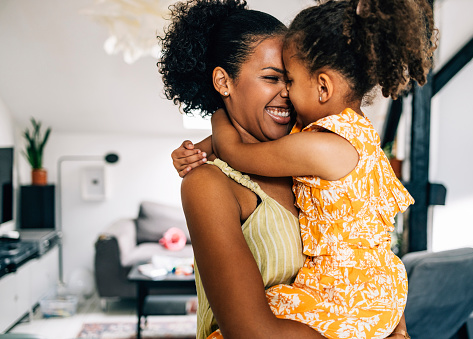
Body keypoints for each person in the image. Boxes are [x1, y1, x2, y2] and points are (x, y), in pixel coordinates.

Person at [163, 0, 410, 338]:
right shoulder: (209, 184)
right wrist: (209, 134)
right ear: (223, 82)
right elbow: (252, 332)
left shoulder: (308, 163)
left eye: (291, 80)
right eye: (272, 78)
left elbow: (365, 252)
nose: (287, 94)